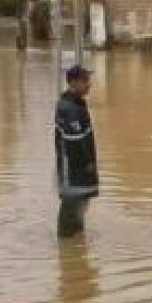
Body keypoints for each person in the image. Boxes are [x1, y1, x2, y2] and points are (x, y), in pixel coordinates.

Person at [55, 65, 100, 238]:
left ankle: (75, 246)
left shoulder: (74, 104)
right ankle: (68, 253)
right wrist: (88, 163)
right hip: (73, 170)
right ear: (73, 83)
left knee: (78, 209)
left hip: (76, 170)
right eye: (85, 81)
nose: (89, 85)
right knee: (72, 209)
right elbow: (76, 142)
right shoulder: (71, 109)